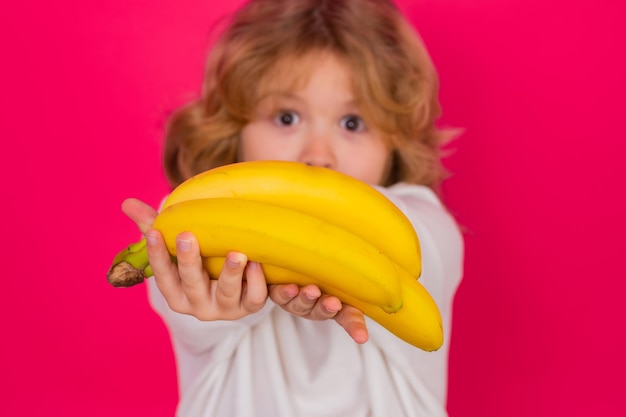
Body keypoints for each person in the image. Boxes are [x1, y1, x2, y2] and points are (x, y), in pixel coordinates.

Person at [121, 0, 464, 415]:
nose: (317, 155)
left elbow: (420, 254)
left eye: (352, 123)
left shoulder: (425, 223)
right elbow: (183, 298)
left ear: (395, 143)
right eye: (286, 118)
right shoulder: (202, 225)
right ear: (235, 130)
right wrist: (197, 288)